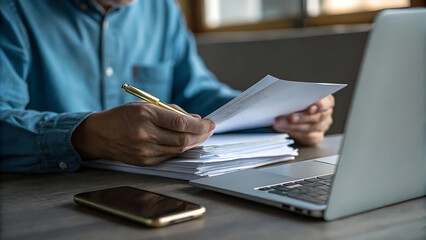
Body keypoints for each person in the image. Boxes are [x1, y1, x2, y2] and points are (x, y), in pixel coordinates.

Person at [0, 0, 335, 173]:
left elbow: (195, 92)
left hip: (153, 198)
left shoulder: (161, 10)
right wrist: (86, 135)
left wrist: (277, 114)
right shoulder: (12, 11)